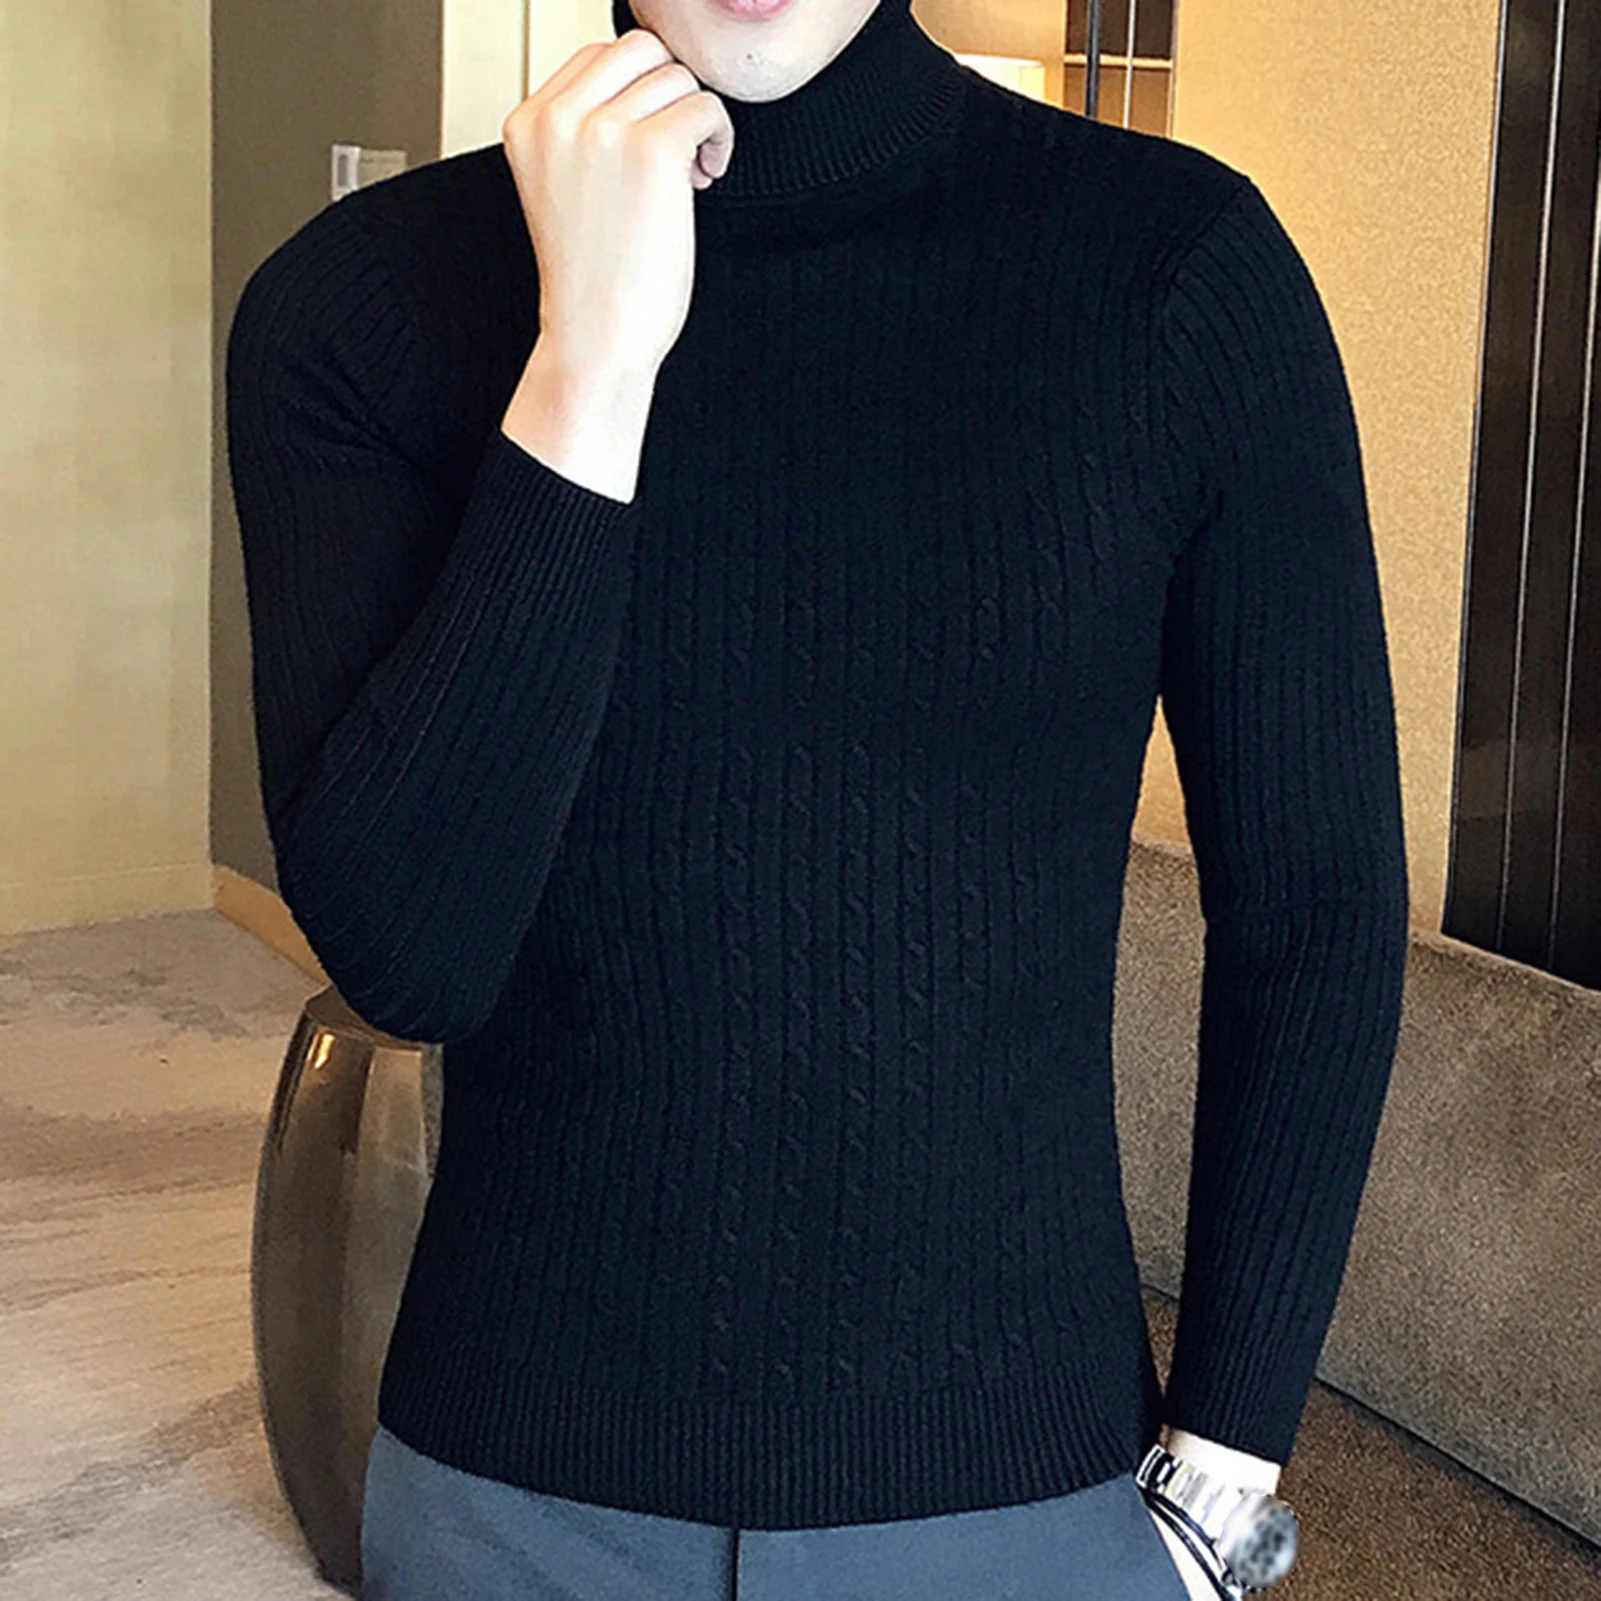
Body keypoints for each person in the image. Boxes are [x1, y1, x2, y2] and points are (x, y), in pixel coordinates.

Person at [223, 0, 1410, 1595]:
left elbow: (1316, 905)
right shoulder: (355, 311)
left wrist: (1224, 1481)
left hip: (1023, 1501)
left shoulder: (1176, 270)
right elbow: (408, 958)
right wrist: (591, 365)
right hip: (514, 1502)